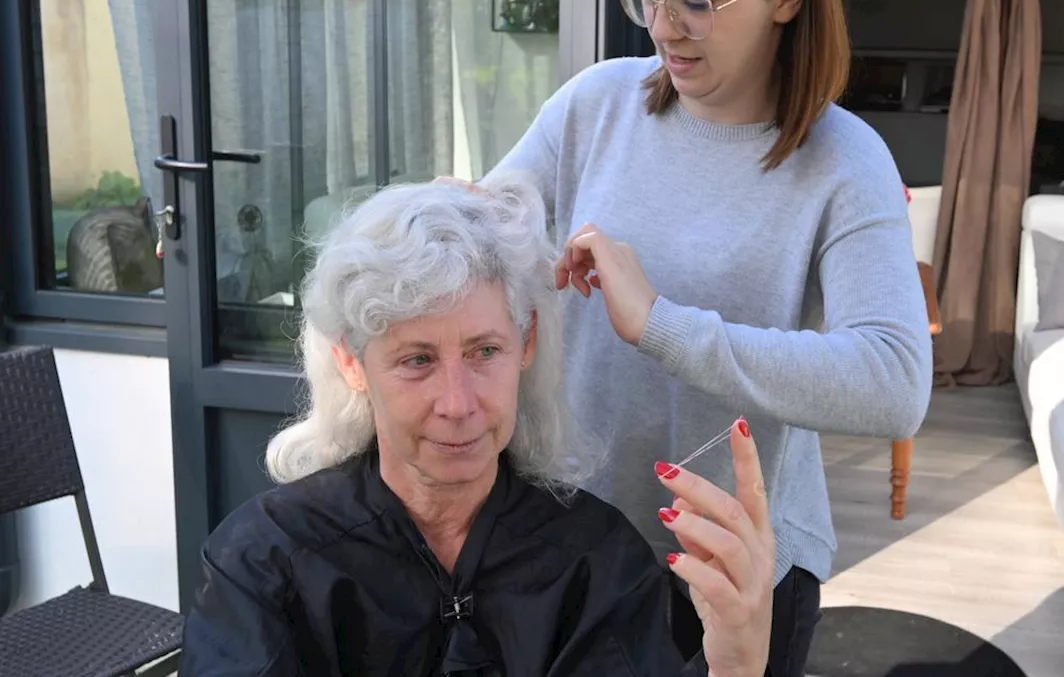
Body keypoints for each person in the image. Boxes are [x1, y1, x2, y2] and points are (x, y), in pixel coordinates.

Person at [489, 0, 933, 675]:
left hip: (732, 574)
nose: (663, 27)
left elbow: (894, 382)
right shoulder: (596, 103)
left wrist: (660, 323)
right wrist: (477, 231)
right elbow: (494, 224)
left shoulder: (844, 161)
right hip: (565, 542)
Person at [178, 174, 775, 677]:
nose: (458, 403)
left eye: (484, 351)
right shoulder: (263, 565)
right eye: (417, 360)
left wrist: (734, 667)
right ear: (351, 363)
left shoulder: (598, 562)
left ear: (527, 343)